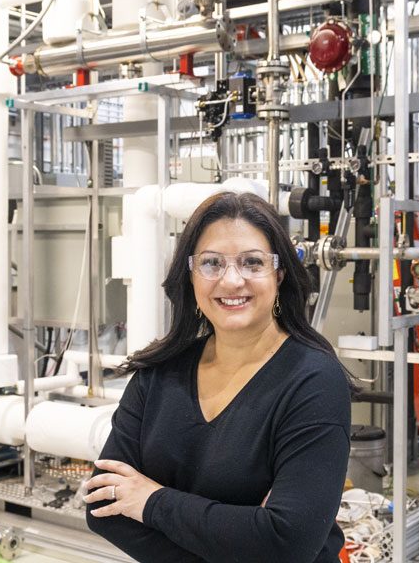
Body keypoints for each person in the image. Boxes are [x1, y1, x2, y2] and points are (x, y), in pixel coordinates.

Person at [84, 191, 352, 563]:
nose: (231, 280)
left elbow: (286, 543)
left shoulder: (313, 381)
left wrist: (150, 501)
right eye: (211, 263)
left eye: (252, 262)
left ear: (279, 274)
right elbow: (103, 507)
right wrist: (243, 536)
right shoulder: (158, 374)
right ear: (190, 277)